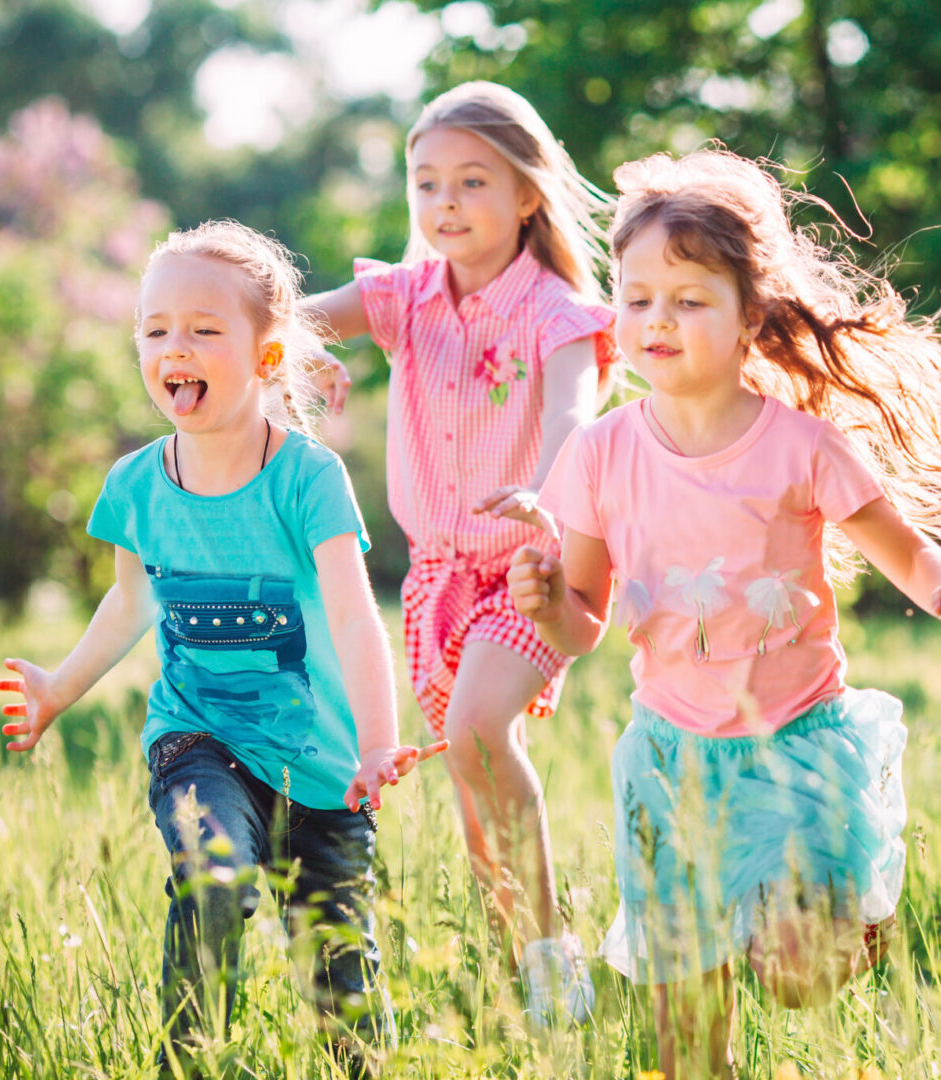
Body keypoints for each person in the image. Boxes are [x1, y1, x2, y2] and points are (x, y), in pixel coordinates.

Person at [507, 150, 941, 1079]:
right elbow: (586, 620)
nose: (658, 319)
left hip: (795, 744)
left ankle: (848, 923)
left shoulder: (800, 446)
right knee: (685, 1048)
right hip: (669, 759)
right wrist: (549, 608)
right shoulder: (596, 455)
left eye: (690, 300)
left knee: (795, 976)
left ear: (752, 317)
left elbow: (901, 550)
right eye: (638, 296)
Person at [0, 221, 445, 1075]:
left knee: (343, 988)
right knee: (213, 877)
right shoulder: (135, 485)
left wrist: (381, 741)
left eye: (204, 329)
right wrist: (59, 686)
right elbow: (129, 603)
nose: (175, 346)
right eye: (155, 328)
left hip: (322, 768)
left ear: (269, 357)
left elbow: (354, 617)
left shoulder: (305, 478)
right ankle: (192, 1060)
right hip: (197, 739)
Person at [302, 81, 614, 1024]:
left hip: (531, 566)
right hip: (437, 576)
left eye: (471, 182)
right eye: (426, 183)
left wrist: (546, 491)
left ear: (527, 194)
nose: (444, 204)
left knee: (481, 731)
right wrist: (297, 351)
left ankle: (555, 956)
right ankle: (517, 970)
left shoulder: (558, 310)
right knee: (474, 783)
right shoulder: (403, 299)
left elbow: (571, 409)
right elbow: (285, 319)